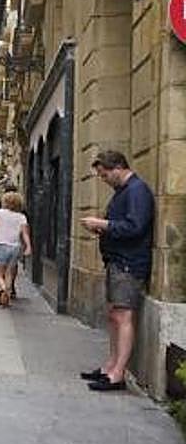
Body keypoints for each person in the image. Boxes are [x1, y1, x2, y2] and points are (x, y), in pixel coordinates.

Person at [79, 150, 154, 392]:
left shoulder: (137, 190)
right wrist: (104, 229)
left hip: (129, 263)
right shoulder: (125, 192)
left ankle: (118, 373)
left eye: (104, 175)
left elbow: (136, 226)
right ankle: (110, 367)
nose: (104, 180)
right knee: (114, 315)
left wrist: (104, 224)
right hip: (118, 261)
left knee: (123, 316)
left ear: (118, 167)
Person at [0, 192, 33, 307]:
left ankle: (4, 289)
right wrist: (28, 246)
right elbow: (25, 233)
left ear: (5, 202)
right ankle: (8, 291)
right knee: (9, 272)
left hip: (1, 245)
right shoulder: (21, 217)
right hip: (15, 247)